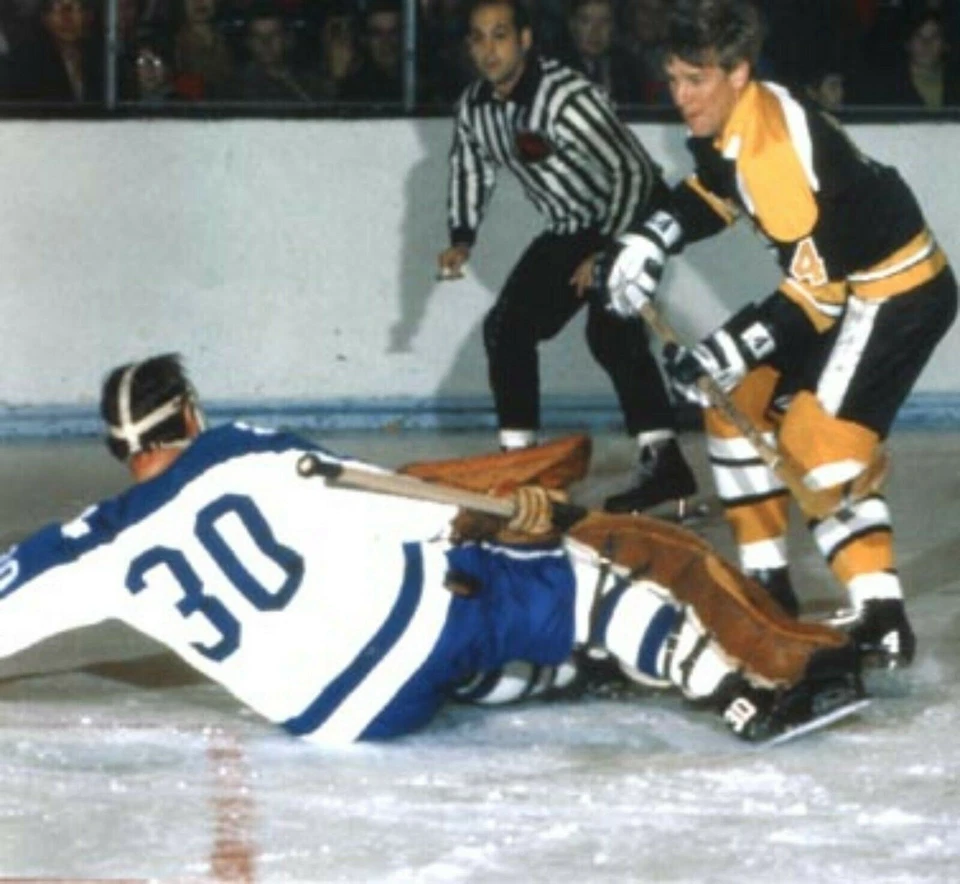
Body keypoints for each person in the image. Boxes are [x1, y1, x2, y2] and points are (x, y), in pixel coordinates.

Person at [0, 353, 863, 744]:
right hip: (409, 633)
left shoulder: (94, 542)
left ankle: (559, 670)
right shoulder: (243, 447)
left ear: (123, 450)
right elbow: (382, 503)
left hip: (333, 721)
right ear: (189, 414)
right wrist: (503, 518)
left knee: (457, 643)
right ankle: (733, 695)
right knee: (575, 577)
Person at [597, 0, 958, 667]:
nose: (680, 97)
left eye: (694, 81)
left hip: (893, 294)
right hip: (844, 286)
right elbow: (714, 190)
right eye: (673, 78)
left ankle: (881, 617)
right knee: (733, 408)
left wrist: (724, 348)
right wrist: (652, 238)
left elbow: (818, 299)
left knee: (816, 447)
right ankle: (768, 589)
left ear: (738, 74)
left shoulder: (773, 155)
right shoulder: (737, 115)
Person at [437, 0, 698, 518]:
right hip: (572, 225)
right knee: (506, 329)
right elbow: (470, 166)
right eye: (479, 38)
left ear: (526, 39)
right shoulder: (475, 106)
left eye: (501, 35)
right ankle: (521, 466)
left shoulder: (566, 97)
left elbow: (630, 173)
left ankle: (665, 464)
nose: (489, 50)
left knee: (610, 331)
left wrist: (610, 251)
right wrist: (462, 237)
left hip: (634, 212)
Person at [4, 0, 105, 103]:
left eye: (74, 9)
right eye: (57, 9)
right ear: (44, 18)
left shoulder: (104, 60)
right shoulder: (26, 63)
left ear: (88, 16)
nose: (66, 18)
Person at [232, 3, 312, 103]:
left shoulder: (308, 83)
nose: (266, 42)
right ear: (249, 42)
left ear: (287, 39)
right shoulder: (236, 88)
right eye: (258, 36)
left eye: (273, 35)